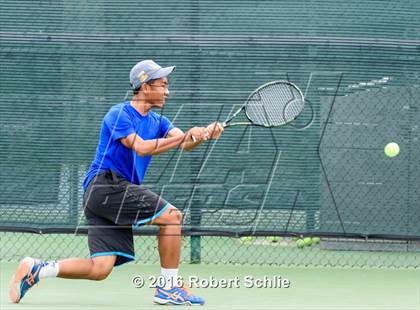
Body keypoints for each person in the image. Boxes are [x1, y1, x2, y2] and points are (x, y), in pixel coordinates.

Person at [9, 59, 224, 306]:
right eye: (162, 84)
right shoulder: (119, 113)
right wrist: (187, 135)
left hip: (108, 195)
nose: (167, 91)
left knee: (100, 268)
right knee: (172, 217)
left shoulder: (159, 122)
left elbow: (185, 143)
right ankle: (168, 288)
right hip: (105, 187)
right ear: (145, 86)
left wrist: (204, 134)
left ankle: (38, 269)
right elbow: (142, 148)